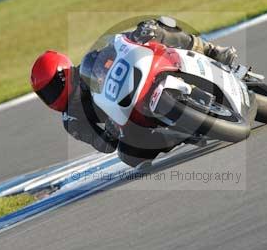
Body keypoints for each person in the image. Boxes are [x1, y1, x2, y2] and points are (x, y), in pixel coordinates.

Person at [30, 17, 238, 156]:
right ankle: (181, 135)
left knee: (158, 26)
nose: (51, 96)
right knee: (129, 155)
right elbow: (101, 145)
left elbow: (119, 44)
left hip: (142, 80)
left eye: (52, 88)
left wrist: (138, 34)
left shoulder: (90, 62)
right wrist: (110, 133)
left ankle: (211, 51)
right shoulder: (72, 120)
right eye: (45, 94)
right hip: (130, 120)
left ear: (63, 74)